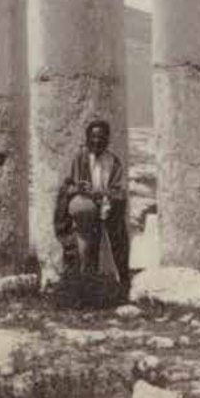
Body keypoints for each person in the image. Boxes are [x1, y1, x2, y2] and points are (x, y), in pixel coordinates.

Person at [53, 118, 129, 306]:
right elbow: (66, 187)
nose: (97, 141)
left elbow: (119, 191)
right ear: (87, 138)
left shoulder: (114, 162)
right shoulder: (79, 158)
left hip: (106, 211)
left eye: (101, 137)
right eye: (93, 137)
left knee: (114, 244)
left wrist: (103, 195)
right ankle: (77, 291)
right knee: (80, 245)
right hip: (83, 213)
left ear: (107, 139)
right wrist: (78, 189)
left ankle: (111, 290)